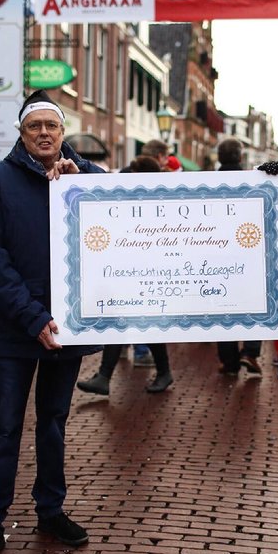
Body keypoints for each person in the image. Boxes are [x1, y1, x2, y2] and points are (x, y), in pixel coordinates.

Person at [0, 90, 104, 554]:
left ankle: (51, 510)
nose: (44, 133)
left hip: (66, 329)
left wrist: (82, 178)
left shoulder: (84, 178)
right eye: (34, 127)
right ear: (21, 134)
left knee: (54, 424)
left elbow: (121, 208)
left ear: (63, 134)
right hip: (16, 330)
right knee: (4, 428)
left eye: (52, 127)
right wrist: (31, 317)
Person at [76, 152, 174, 396]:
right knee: (125, 321)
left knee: (136, 322)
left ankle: (158, 373)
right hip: (132, 271)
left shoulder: (158, 199)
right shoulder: (140, 197)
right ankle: (106, 377)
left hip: (147, 272)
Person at [215, 137, 263, 376]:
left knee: (223, 306)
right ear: (241, 157)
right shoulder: (252, 181)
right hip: (246, 252)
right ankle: (250, 352)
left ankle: (229, 361)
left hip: (216, 254)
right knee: (253, 302)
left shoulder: (206, 180)